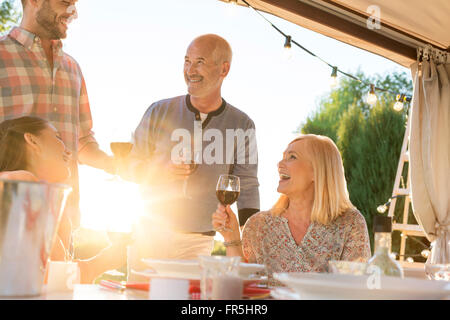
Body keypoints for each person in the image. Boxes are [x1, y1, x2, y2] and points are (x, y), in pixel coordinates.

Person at [127, 34, 260, 273]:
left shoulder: (242, 124)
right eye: (187, 61)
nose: (190, 70)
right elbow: (130, 166)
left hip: (198, 240)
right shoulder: (158, 111)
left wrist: (252, 241)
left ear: (224, 69)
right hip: (149, 233)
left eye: (200, 62)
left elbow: (247, 185)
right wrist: (161, 170)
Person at [0, 0, 115, 260]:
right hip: (10, 221)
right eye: (65, 2)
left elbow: (82, 142)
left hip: (63, 221)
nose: (73, 12)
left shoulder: (73, 68)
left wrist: (118, 166)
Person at [212, 134, 371, 277]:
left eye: (292, 157)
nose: (280, 163)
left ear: (317, 171)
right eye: (283, 157)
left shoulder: (350, 223)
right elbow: (241, 284)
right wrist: (231, 237)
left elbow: (356, 288)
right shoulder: (257, 225)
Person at [0, 116, 127, 284]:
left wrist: (112, 257)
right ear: (32, 140)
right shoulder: (19, 183)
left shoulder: (45, 200)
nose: (68, 151)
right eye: (58, 137)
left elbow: (53, 276)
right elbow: (52, 280)